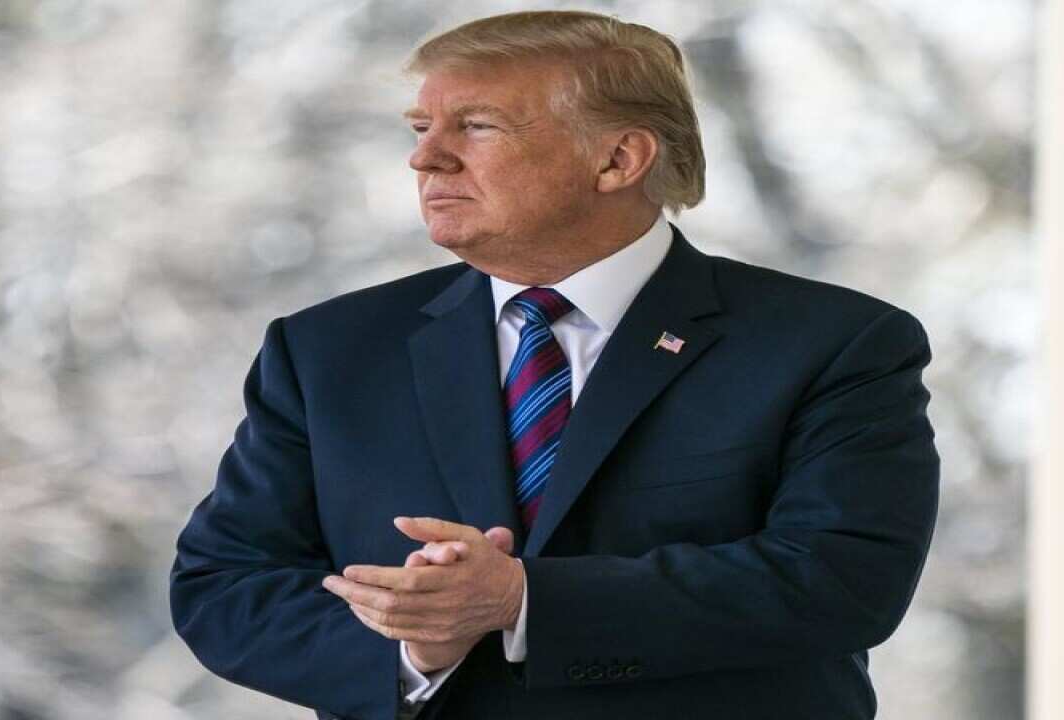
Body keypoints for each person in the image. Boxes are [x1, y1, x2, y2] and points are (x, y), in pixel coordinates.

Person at [170, 10, 940, 720]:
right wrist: (412, 649)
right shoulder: (328, 351)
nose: (424, 156)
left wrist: (522, 599)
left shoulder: (836, 343)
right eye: (420, 125)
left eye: (476, 126)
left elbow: (841, 578)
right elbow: (224, 585)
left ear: (617, 158)